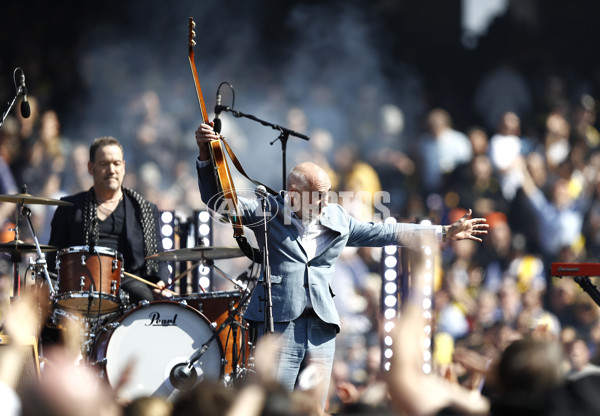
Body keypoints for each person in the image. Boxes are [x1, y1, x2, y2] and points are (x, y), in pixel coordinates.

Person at [195, 122, 489, 408]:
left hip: (320, 327)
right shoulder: (269, 210)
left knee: (316, 405)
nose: (326, 202)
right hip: (279, 324)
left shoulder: (336, 218)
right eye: (318, 195)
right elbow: (219, 203)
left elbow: (384, 231)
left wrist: (444, 232)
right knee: (276, 404)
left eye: (328, 193)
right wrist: (206, 156)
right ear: (295, 195)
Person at [48, 136, 170, 304]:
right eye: (104, 164)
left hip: (128, 281)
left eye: (116, 164)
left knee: (144, 296)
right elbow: (52, 260)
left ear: (124, 167)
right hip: (81, 281)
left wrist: (160, 282)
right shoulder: (69, 207)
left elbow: (158, 257)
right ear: (91, 168)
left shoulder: (145, 209)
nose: (111, 170)